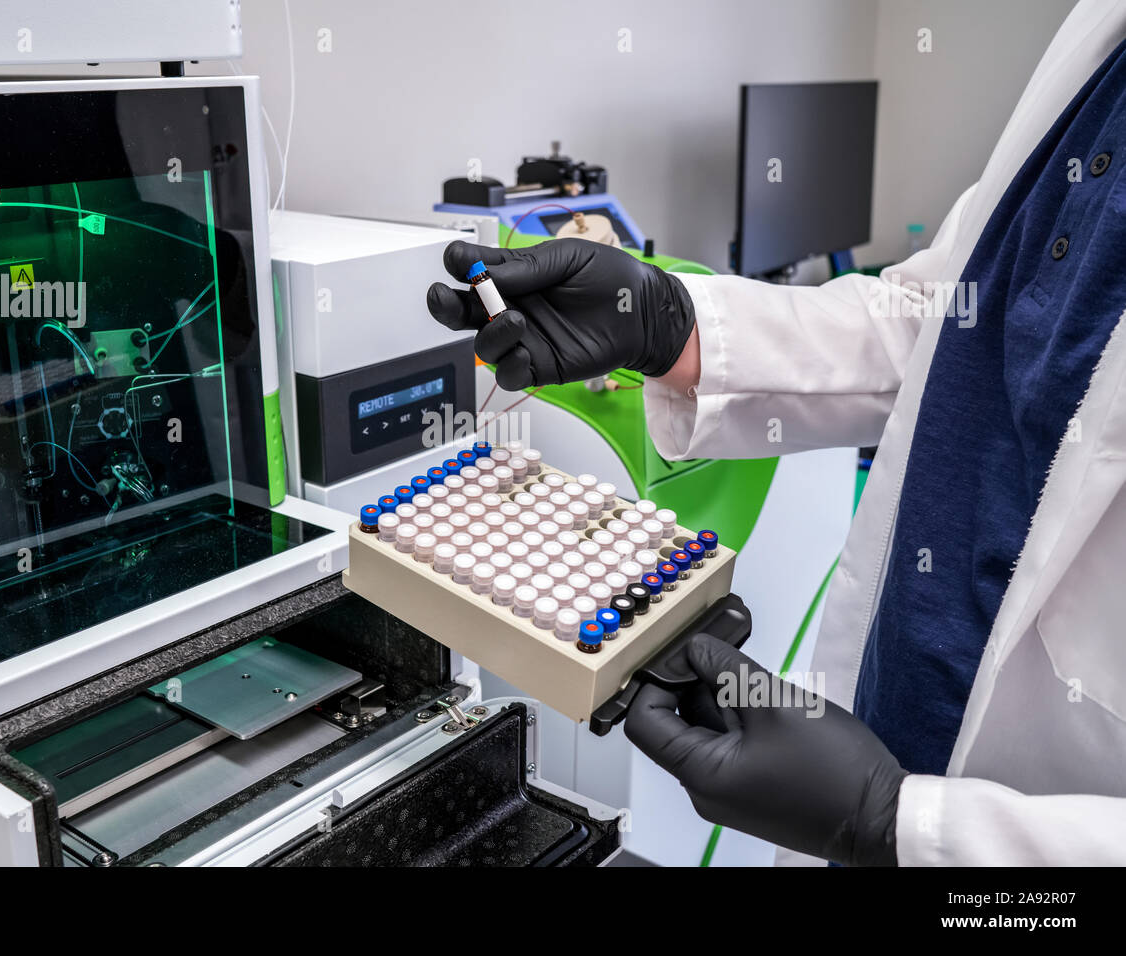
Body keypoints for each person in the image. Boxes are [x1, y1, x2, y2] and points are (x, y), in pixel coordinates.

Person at [426, 0, 1126, 866]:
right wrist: (669, 324)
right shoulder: (1101, 39)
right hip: (896, 725)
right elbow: (938, 318)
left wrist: (898, 827)